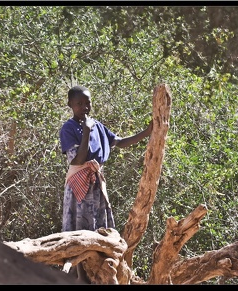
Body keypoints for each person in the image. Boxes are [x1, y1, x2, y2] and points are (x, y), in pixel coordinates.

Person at [59, 85, 152, 282]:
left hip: (96, 185)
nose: (84, 107)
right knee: (79, 229)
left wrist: (147, 132)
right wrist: (85, 132)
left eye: (87, 103)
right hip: (79, 186)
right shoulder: (69, 128)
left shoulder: (97, 125)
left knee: (98, 228)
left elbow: (118, 142)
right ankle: (80, 276)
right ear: (70, 105)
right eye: (79, 104)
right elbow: (78, 159)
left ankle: (98, 273)